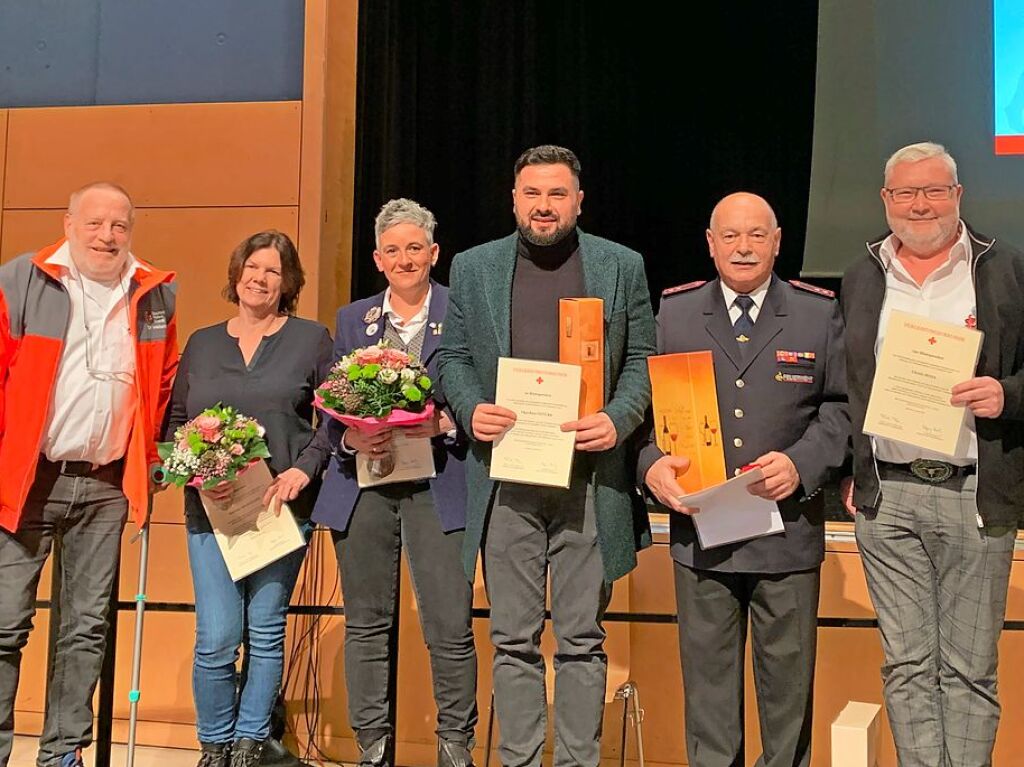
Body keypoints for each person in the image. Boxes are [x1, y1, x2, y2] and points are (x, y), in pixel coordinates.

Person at [438, 145, 656, 767]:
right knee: (512, 641)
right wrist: (470, 405)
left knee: (584, 641)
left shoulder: (620, 265)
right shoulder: (475, 267)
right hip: (507, 479)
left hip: (589, 482)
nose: (543, 206)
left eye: (557, 194)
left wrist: (619, 418)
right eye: (532, 193)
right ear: (513, 199)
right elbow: (452, 357)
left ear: (578, 200)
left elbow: (642, 356)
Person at [639, 192, 848, 767]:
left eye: (756, 235)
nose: (743, 247)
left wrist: (801, 465)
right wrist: (650, 464)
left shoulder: (817, 311)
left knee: (787, 699)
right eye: (730, 236)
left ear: (777, 241)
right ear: (710, 243)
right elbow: (642, 409)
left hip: (787, 536)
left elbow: (842, 408)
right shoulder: (675, 312)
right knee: (707, 696)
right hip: (701, 535)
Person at [840, 141, 1024, 767]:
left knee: (969, 670)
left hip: (975, 493)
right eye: (906, 193)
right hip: (888, 500)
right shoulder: (864, 275)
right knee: (907, 667)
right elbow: (847, 384)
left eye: (934, 190)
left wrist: (1007, 394)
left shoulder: (1004, 270)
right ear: (886, 200)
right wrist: (854, 471)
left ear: (958, 196)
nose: (921, 205)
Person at [0, 182, 178, 767]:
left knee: (84, 631)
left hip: (105, 488)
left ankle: (61, 755)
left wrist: (152, 463)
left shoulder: (154, 294)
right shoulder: (22, 279)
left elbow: (164, 384)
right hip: (27, 481)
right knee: (4, 626)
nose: (107, 236)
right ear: (69, 223)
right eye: (96, 224)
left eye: (119, 226)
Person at [312, 199, 477, 767]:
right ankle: (372, 749)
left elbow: (481, 392)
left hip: (441, 481)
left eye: (415, 248)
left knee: (450, 624)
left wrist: (447, 422)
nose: (404, 259)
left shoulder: (463, 310)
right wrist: (351, 439)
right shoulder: (351, 318)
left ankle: (455, 746)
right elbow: (332, 409)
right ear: (378, 259)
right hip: (366, 483)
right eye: (393, 250)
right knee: (366, 624)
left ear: (434, 253)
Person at [164, 231, 332, 767]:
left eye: (273, 272)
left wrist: (304, 471)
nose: (259, 279)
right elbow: (175, 422)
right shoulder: (203, 342)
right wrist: (193, 474)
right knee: (216, 636)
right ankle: (214, 745)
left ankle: (249, 743)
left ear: (289, 284)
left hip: (279, 511)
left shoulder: (311, 338)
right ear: (236, 274)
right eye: (252, 268)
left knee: (264, 630)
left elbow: (332, 422)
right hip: (210, 513)